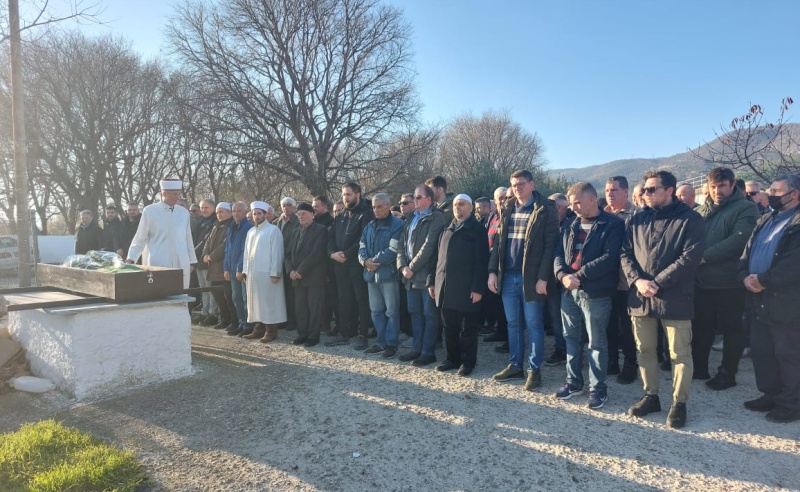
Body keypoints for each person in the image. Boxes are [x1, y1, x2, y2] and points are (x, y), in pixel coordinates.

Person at [621, 170, 705, 429]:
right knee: (644, 350)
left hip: (674, 297)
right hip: (640, 296)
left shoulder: (690, 220)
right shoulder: (636, 219)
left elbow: (689, 258)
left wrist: (658, 282)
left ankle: (679, 403)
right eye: (644, 189)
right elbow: (625, 254)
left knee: (679, 353)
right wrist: (637, 280)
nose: (645, 194)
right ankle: (651, 396)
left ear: (670, 190)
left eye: (651, 189)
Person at [554, 182, 625, 409]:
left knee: (596, 343)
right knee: (571, 339)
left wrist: (579, 276)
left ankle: (598, 389)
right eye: (571, 202)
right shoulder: (570, 225)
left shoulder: (612, 224)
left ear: (592, 199)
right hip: (569, 291)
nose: (573, 207)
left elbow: (611, 257)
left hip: (595, 293)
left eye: (577, 202)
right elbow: (558, 254)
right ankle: (573, 382)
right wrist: (562, 275)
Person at [488, 169, 559, 391]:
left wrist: (543, 277)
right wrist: (492, 271)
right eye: (514, 184)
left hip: (531, 278)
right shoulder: (507, 206)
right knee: (513, 324)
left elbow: (550, 246)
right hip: (507, 276)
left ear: (531, 184)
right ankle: (515, 365)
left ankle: (534, 370)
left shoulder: (545, 209)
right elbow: (499, 242)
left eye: (521, 183)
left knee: (534, 324)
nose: (517, 187)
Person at [738, 175, 800, 423]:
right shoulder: (766, 218)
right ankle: (771, 394)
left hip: (785, 299)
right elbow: (748, 251)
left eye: (776, 190)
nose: (770, 194)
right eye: (770, 190)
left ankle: (792, 402)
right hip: (757, 297)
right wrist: (743, 276)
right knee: (762, 351)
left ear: (794, 194)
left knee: (787, 353)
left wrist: (764, 279)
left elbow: (794, 263)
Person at [691, 167, 759, 389]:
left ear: (732, 185)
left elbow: (740, 240)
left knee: (732, 329)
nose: (717, 190)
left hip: (730, 282)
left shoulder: (746, 208)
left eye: (722, 186)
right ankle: (699, 367)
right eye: (713, 186)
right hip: (702, 282)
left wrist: (704, 257)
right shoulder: (700, 211)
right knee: (702, 327)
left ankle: (727, 373)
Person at [430, 194, 489, 377]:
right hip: (445, 287)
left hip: (467, 289)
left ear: (470, 208)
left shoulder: (477, 230)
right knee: (449, 328)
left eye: (462, 204)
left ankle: (467, 362)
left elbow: (481, 261)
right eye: (456, 204)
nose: (458, 207)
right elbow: (437, 259)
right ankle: (452, 359)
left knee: (468, 330)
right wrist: (432, 281)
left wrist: (478, 288)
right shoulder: (446, 229)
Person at [397, 184, 446, 366]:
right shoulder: (410, 218)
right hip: (409, 275)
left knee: (429, 314)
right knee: (414, 313)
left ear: (428, 199)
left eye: (418, 197)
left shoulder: (436, 217)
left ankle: (428, 351)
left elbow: (429, 246)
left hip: (426, 275)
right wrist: (402, 265)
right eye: (414, 198)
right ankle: (417, 348)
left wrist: (412, 267)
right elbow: (401, 245)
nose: (414, 201)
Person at [325, 183, 375, 349]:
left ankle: (363, 334)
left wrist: (347, 254)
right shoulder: (342, 214)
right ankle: (344, 332)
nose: (346, 198)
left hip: (357, 264)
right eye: (344, 195)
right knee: (344, 299)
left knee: (361, 299)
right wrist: (332, 253)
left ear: (358, 194)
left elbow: (363, 238)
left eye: (349, 195)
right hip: (339, 264)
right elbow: (330, 236)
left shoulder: (367, 213)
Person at [126, 178, 197, 288]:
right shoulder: (150, 211)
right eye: (173, 194)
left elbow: (188, 238)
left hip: (181, 262)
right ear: (163, 193)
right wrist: (131, 259)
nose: (177, 197)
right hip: (158, 263)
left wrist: (192, 261)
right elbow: (140, 238)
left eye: (178, 194)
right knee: (159, 296)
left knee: (181, 297)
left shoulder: (183, 213)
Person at [358, 193, 405, 358]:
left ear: (388, 206)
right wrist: (365, 262)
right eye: (373, 207)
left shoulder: (398, 225)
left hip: (388, 275)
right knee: (376, 311)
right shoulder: (369, 226)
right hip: (371, 276)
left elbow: (393, 251)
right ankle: (380, 342)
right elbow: (361, 247)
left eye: (379, 206)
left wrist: (372, 262)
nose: (376, 210)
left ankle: (392, 344)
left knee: (391, 312)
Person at [603, 176, 639, 384]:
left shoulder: (636, 215)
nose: (610, 194)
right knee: (609, 324)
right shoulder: (603, 214)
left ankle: (630, 364)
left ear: (625, 192)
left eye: (615, 190)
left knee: (627, 327)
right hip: (607, 280)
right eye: (608, 190)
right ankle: (612, 361)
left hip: (627, 280)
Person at [285, 202, 329, 347]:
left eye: (303, 213)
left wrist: (300, 271)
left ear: (312, 214)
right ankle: (302, 334)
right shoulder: (295, 231)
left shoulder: (320, 230)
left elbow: (316, 253)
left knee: (314, 308)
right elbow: (288, 254)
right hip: (297, 278)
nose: (300, 216)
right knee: (300, 308)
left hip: (314, 277)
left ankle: (313, 336)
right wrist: (290, 270)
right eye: (298, 214)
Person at [242, 201, 286, 343]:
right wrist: (244, 271)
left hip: (267, 274)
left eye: (259, 213)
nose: (257, 216)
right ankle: (258, 329)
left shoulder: (273, 230)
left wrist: (275, 272)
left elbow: (277, 253)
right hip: (253, 274)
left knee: (268, 302)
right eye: (254, 214)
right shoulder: (251, 231)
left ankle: (271, 331)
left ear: (265, 215)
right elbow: (246, 254)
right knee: (255, 302)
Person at [543, 193, 571, 367]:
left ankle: (572, 351)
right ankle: (561, 349)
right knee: (556, 316)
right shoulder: (548, 225)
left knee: (571, 318)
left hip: (570, 279)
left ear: (559, 208)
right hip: (553, 279)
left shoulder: (571, 224)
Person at [202, 202, 237, 332]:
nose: (218, 214)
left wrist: (211, 257)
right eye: (217, 212)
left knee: (228, 296)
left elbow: (225, 245)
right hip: (213, 267)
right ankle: (224, 320)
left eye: (221, 212)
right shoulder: (216, 226)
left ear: (228, 212)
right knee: (218, 296)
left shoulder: (231, 226)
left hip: (223, 266)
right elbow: (207, 242)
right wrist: (205, 254)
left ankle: (233, 322)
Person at [483, 187, 509, 347]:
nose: (502, 201)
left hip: (505, 266)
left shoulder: (510, 216)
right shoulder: (492, 216)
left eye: (505, 197)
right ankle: (500, 331)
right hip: (491, 266)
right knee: (495, 302)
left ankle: (509, 338)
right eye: (499, 198)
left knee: (506, 304)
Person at [225, 202, 254, 337]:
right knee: (236, 297)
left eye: (239, 211)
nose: (236, 214)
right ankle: (241, 323)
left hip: (241, 270)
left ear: (244, 212)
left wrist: (239, 268)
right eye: (234, 211)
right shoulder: (231, 227)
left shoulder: (247, 227)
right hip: (231, 269)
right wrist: (226, 268)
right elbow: (228, 249)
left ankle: (248, 325)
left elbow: (245, 250)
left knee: (244, 298)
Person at [276, 197, 300, 332]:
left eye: (289, 205)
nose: (286, 208)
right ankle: (282, 319)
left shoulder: (297, 222)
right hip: (278, 261)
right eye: (284, 205)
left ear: (294, 207)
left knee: (291, 294)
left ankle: (293, 321)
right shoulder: (276, 222)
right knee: (281, 293)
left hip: (290, 261)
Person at [312, 195, 336, 334]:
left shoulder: (329, 221)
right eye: (313, 206)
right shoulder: (314, 220)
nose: (315, 208)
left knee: (327, 296)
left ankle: (326, 323)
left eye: (317, 206)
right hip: (315, 265)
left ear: (325, 206)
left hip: (326, 264)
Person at [193, 199, 218, 326]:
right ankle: (205, 312)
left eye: (206, 207)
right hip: (198, 259)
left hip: (207, 260)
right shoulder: (200, 221)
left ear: (213, 207)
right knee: (203, 288)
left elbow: (207, 242)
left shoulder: (215, 221)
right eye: (202, 208)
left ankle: (213, 313)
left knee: (210, 289)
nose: (203, 210)